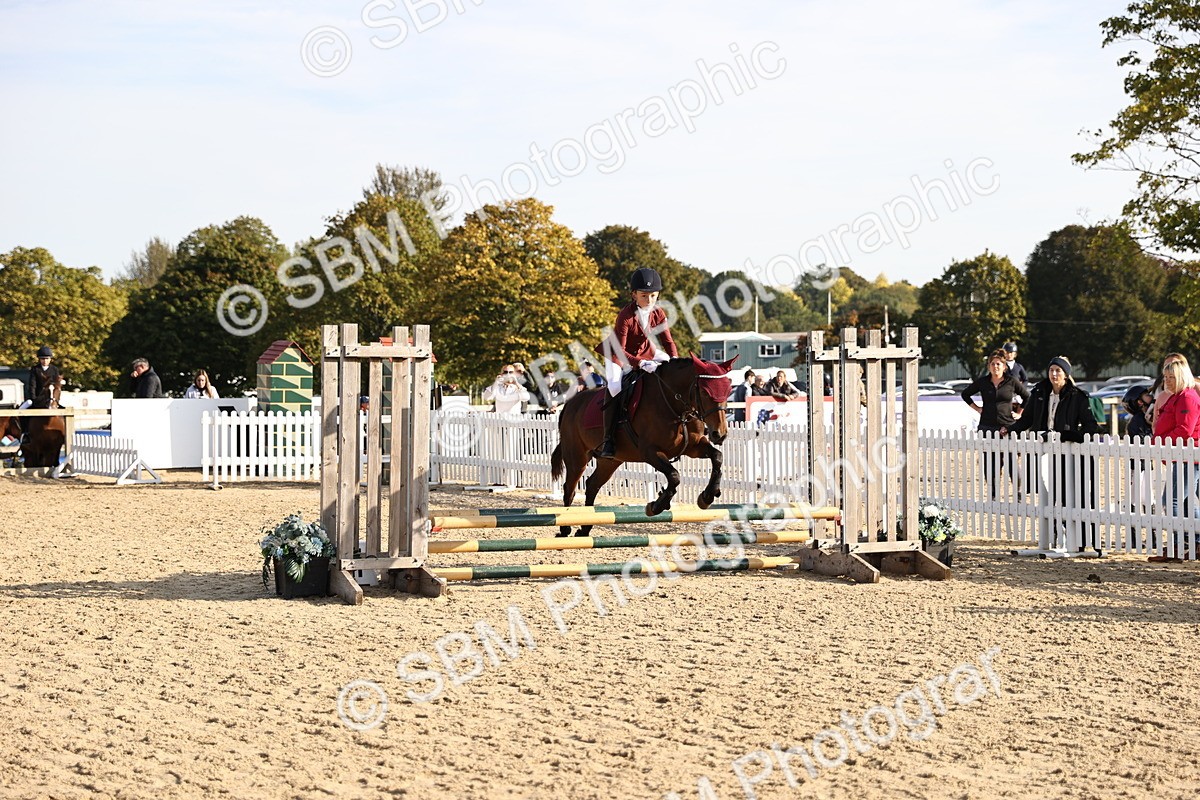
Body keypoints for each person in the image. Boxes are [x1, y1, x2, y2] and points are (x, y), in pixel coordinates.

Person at [1006, 356, 1102, 550]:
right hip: (1043, 451)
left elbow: (1091, 427)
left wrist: (1073, 435)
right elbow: (1028, 419)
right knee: (1048, 495)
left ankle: (1080, 541)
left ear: (1066, 375)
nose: (1054, 374)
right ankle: (1055, 536)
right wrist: (1010, 429)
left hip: (1068, 453)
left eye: (1058, 371)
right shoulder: (1040, 392)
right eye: (1051, 370)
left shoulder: (1077, 396)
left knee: (1071, 498)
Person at [594, 267, 678, 457]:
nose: (649, 301)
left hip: (646, 351)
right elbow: (621, 350)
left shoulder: (659, 313)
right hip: (617, 354)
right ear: (634, 294)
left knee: (672, 368)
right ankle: (608, 439)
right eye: (644, 296)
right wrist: (640, 364)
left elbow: (668, 341)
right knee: (615, 387)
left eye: (653, 296)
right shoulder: (625, 316)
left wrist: (674, 359)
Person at [961, 349, 1032, 499]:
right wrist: (978, 409)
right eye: (992, 364)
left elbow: (1027, 397)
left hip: (1008, 426)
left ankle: (1017, 492)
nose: (995, 367)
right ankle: (993, 493)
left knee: (1012, 460)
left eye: (998, 364)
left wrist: (1019, 413)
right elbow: (965, 394)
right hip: (987, 427)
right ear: (989, 366)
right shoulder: (983, 382)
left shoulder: (1012, 382)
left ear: (1004, 366)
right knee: (990, 463)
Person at [1151, 355, 1200, 561]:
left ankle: (1177, 546)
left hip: (1187, 457)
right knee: (1186, 503)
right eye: (1165, 377)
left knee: (1171, 501)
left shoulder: (1187, 397)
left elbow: (1184, 430)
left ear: (1181, 377)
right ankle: (1194, 543)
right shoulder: (1176, 396)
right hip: (1180, 457)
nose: (1166, 381)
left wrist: (1162, 443)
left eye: (1171, 377)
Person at [19, 345, 62, 438]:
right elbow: (32, 385)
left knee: (66, 412)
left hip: (51, 398)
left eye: (47, 358)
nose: (45, 361)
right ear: (39, 359)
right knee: (21, 410)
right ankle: (25, 433)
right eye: (42, 359)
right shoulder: (35, 369)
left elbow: (57, 386)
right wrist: (34, 398)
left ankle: (65, 434)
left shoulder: (54, 369)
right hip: (37, 398)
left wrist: (56, 399)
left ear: (50, 359)